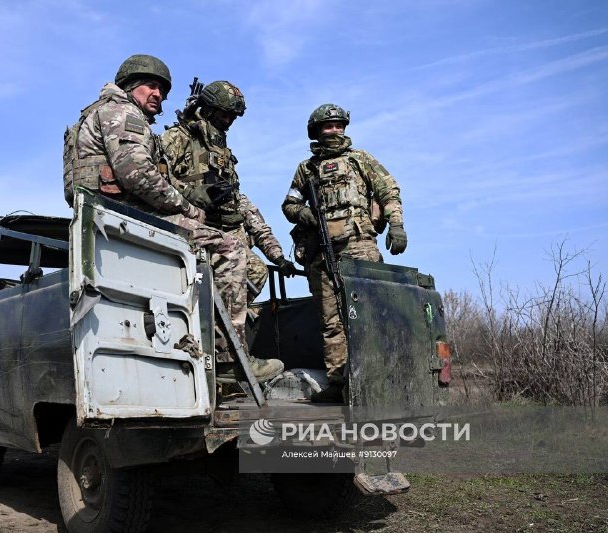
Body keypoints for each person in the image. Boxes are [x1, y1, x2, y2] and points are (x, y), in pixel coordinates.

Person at [63, 55, 283, 383]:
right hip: (129, 216)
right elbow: (138, 174)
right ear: (129, 86)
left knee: (248, 268)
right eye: (150, 86)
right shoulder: (124, 114)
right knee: (229, 250)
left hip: (111, 215)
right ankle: (227, 360)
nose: (158, 94)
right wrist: (189, 208)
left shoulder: (102, 113)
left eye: (163, 90)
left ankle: (207, 340)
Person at [160, 80, 293, 381]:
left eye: (232, 117)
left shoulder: (220, 148)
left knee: (257, 272)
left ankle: (217, 332)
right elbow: (156, 181)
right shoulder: (178, 137)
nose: (228, 121)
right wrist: (197, 194)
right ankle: (230, 358)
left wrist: (275, 252)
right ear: (207, 108)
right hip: (191, 228)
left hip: (223, 232)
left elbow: (240, 202)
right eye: (223, 114)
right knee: (232, 271)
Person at [281, 103, 407, 402]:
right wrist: (304, 215)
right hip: (322, 251)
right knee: (331, 321)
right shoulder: (306, 168)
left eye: (339, 125)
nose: (334, 130)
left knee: (368, 317)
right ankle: (339, 384)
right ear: (317, 131)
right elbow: (289, 204)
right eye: (328, 126)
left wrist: (397, 225)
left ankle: (376, 383)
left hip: (358, 244)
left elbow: (389, 191)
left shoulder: (360, 159)